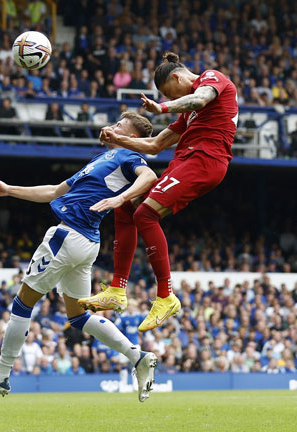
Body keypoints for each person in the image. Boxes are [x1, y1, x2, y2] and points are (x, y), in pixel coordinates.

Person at [0, 112, 160, 402]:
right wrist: (9, 190)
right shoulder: (101, 160)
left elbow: (149, 175)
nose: (113, 126)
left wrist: (120, 199)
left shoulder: (126, 156)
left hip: (67, 236)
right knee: (79, 316)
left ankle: (1, 376)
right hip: (86, 242)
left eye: (120, 125)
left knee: (22, 303)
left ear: (132, 137)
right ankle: (138, 357)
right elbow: (54, 192)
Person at [78, 51, 238, 332]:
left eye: (167, 92)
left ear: (176, 77)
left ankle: (165, 296)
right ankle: (117, 291)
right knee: (127, 205)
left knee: (146, 214)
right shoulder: (189, 114)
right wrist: (118, 138)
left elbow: (200, 98)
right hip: (186, 161)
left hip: (205, 160)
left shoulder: (213, 79)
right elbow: (154, 146)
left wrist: (163, 108)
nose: (168, 98)